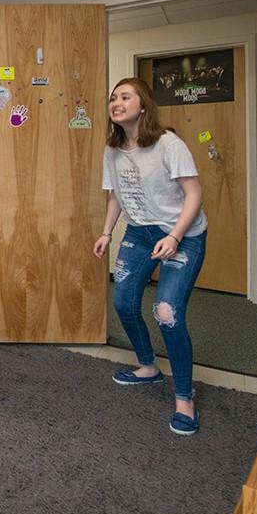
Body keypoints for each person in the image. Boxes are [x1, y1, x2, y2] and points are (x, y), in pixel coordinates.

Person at [93, 77, 207, 436]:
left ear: (143, 106)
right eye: (113, 97)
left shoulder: (168, 144)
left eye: (125, 96)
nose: (116, 102)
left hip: (183, 234)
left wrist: (174, 235)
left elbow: (194, 194)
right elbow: (115, 195)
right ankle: (148, 367)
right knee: (124, 303)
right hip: (139, 233)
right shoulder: (112, 149)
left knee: (166, 312)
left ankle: (184, 399)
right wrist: (106, 232)